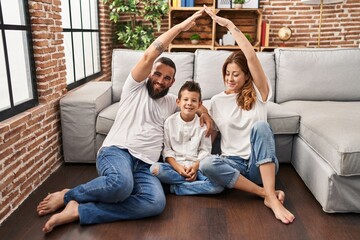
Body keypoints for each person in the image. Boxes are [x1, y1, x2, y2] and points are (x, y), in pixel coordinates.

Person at [36, 9, 213, 233]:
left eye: (167, 78)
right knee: (120, 185)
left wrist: (204, 114)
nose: (160, 81)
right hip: (117, 152)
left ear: (172, 83)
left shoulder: (171, 102)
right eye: (157, 74)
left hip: (145, 166)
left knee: (155, 203)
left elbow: (196, 104)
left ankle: (80, 211)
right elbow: (150, 56)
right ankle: (68, 195)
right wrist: (180, 27)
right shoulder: (134, 87)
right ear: (150, 73)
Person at [199, 6, 295, 224]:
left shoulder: (260, 93)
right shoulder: (216, 101)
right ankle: (267, 195)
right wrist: (203, 111)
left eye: (236, 74)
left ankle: (267, 193)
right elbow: (194, 106)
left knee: (261, 127)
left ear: (246, 76)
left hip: (258, 164)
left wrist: (230, 26)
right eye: (227, 74)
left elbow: (250, 56)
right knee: (207, 164)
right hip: (232, 165)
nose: (230, 78)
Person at [150, 81, 224, 195]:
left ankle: (176, 188)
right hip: (175, 167)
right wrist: (178, 168)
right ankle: (189, 184)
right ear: (178, 102)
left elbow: (205, 151)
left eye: (194, 100)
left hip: (197, 168)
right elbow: (167, 150)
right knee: (155, 169)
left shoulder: (203, 125)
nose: (189, 103)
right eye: (186, 100)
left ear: (199, 105)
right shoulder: (170, 122)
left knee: (218, 186)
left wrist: (195, 167)